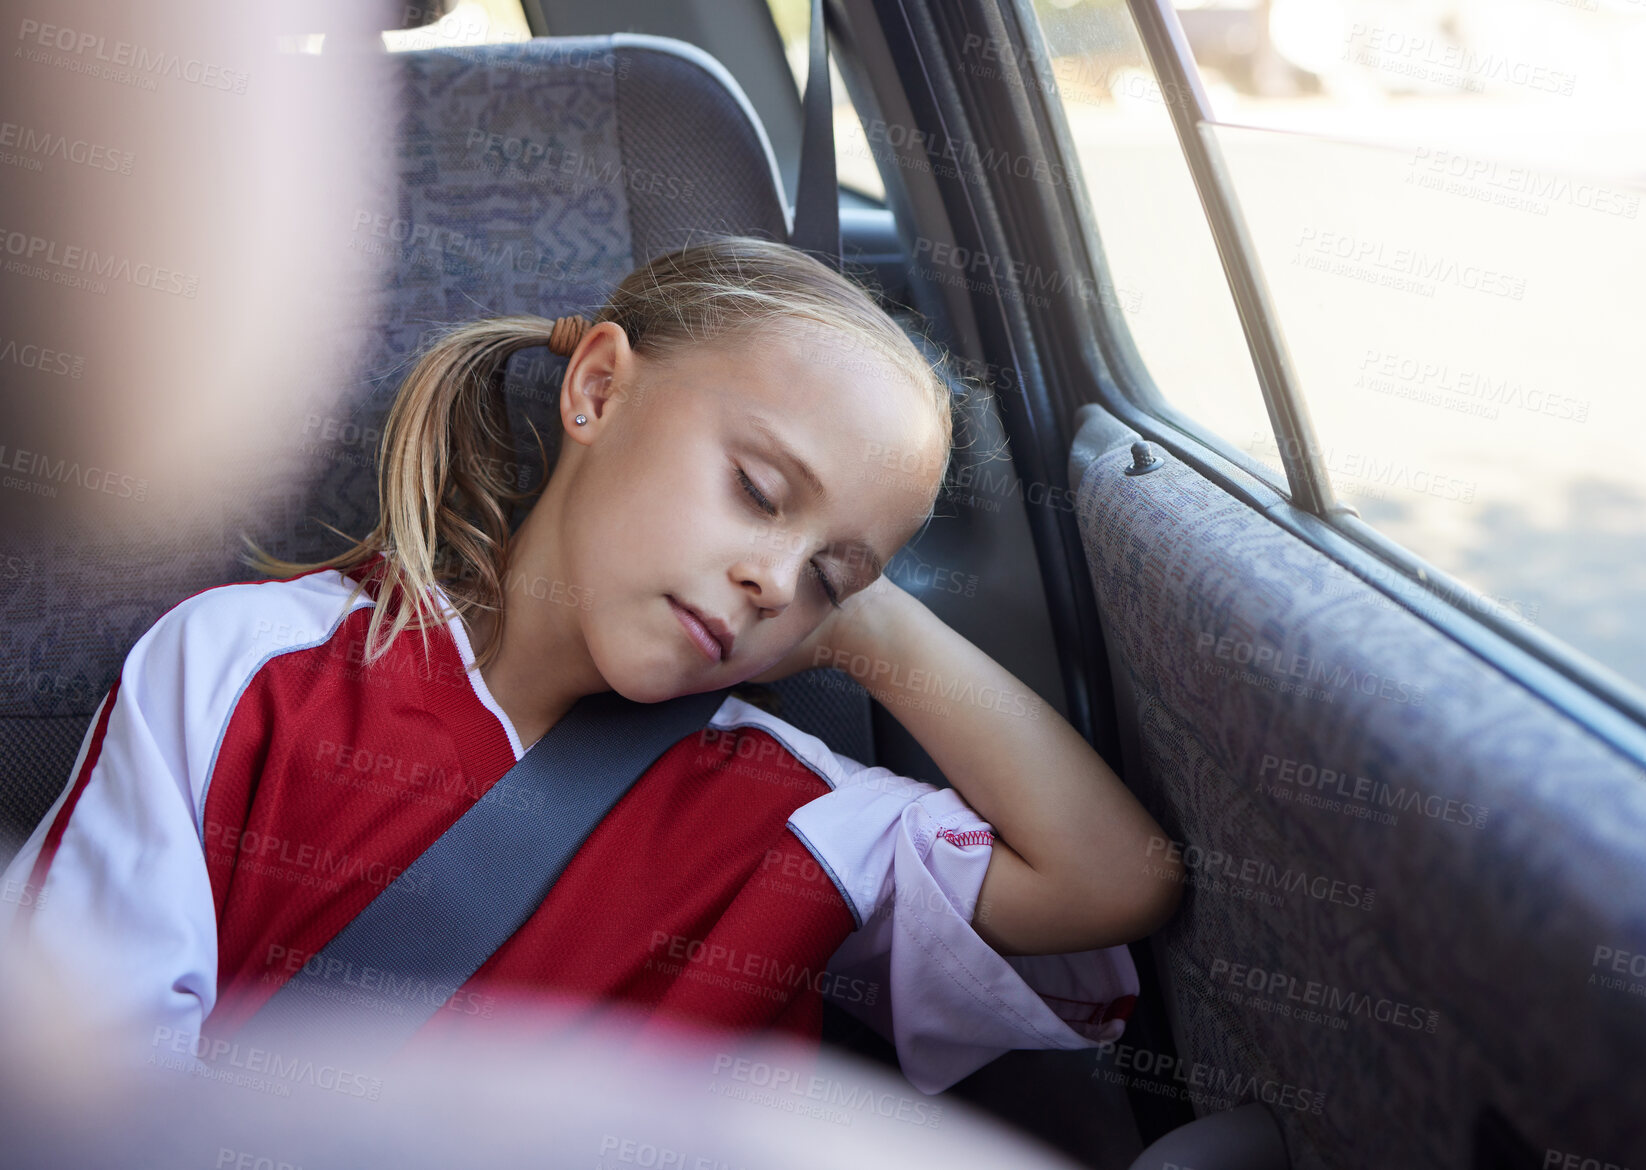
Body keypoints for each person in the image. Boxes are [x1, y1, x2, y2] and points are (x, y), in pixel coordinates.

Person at [0, 236, 1182, 1095]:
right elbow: (84, 1089)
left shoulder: (799, 814)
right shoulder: (246, 669)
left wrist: (865, 621)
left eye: (833, 573)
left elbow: (1109, 877)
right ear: (600, 387)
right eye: (760, 494)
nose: (779, 579)